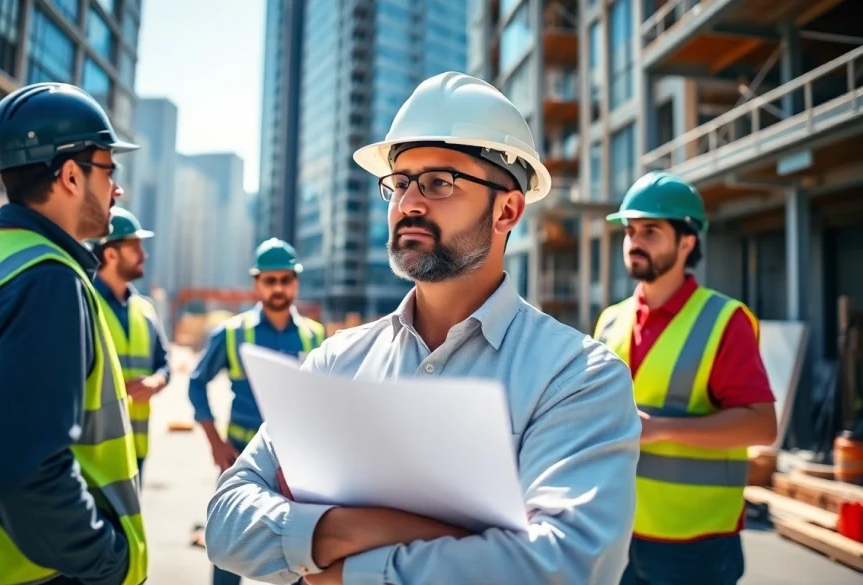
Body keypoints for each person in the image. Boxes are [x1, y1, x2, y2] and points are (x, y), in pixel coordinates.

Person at [203, 71, 641, 585]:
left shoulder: (576, 379)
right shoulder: (335, 362)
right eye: (400, 183)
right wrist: (348, 531)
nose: (409, 203)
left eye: (439, 182)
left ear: (507, 209)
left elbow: (562, 567)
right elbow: (226, 523)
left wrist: (348, 572)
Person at [0, 83, 148, 585]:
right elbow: (27, 476)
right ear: (71, 175)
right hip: (25, 573)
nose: (116, 189)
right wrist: (109, 562)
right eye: (109, 170)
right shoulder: (46, 280)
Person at [593, 171, 777, 585]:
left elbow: (762, 425)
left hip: (694, 543)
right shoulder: (610, 321)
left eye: (651, 231)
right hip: (615, 528)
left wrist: (657, 430)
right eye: (630, 230)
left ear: (687, 241)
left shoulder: (725, 320)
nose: (635, 241)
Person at [188, 237, 326, 585]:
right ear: (256, 283)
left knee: (296, 555)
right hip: (240, 457)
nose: (278, 287)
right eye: (270, 279)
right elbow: (196, 383)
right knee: (231, 550)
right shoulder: (232, 334)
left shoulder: (315, 337)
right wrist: (215, 443)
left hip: (295, 464)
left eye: (285, 279)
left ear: (295, 281)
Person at [88, 206, 171, 484]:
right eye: (135, 247)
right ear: (111, 254)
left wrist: (156, 382)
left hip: (136, 448)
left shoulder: (145, 309)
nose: (143, 254)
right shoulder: (84, 303)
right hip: (93, 451)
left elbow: (165, 363)